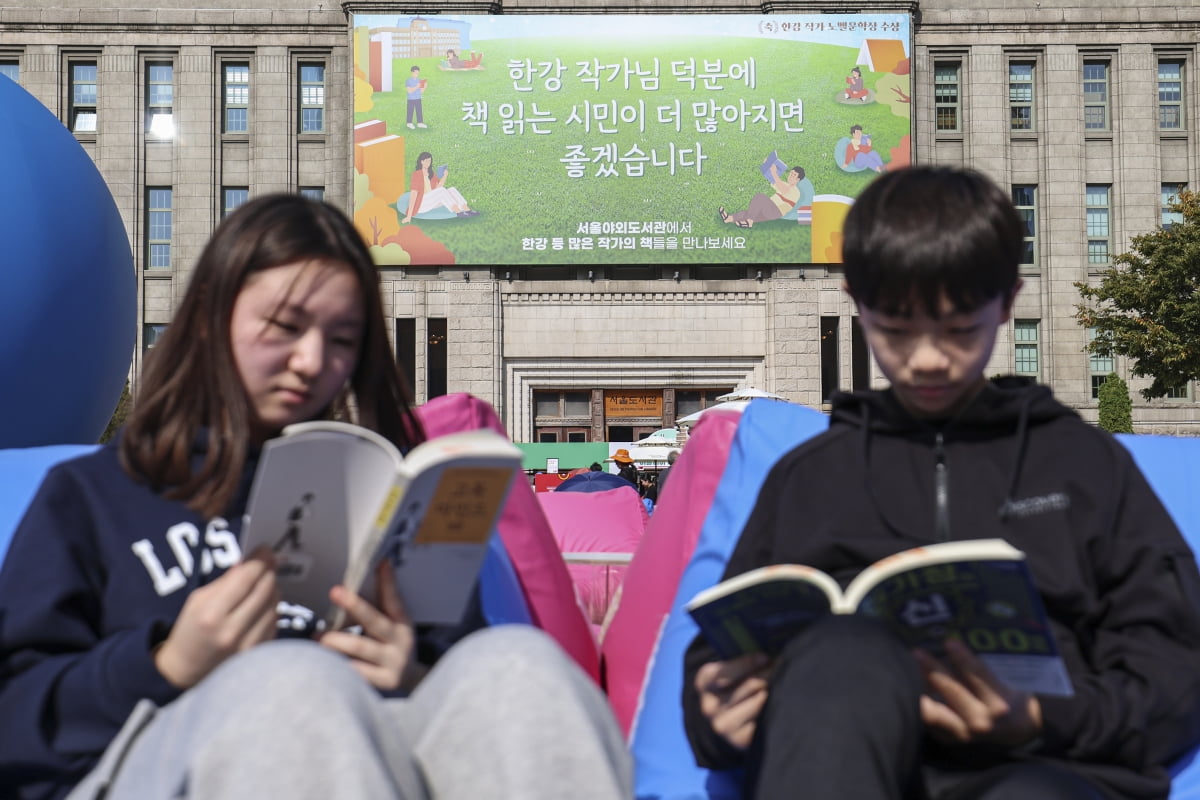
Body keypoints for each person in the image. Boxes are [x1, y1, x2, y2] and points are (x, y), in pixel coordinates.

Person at [0, 194, 632, 800]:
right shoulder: (94, 495)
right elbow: (16, 714)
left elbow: (462, 691)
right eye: (285, 327)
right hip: (160, 757)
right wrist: (167, 662)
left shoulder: (382, 494)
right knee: (295, 679)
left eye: (341, 340)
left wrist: (410, 673)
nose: (311, 361)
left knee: (519, 663)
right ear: (207, 319)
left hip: (375, 754)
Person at [683, 166, 1200, 800]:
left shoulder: (1083, 465)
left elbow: (1175, 664)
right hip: (840, 759)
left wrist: (1040, 717)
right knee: (842, 651)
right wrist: (716, 715)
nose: (927, 358)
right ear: (856, 301)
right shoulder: (811, 475)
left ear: (1007, 303)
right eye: (895, 331)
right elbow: (716, 653)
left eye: (959, 329)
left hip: (1047, 766)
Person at [720, 165, 809, 229]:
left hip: (776, 211)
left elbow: (783, 189)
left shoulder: (796, 192)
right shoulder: (783, 184)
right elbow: (772, 179)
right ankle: (729, 218)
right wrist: (767, 165)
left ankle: (749, 222)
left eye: (794, 175)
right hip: (768, 210)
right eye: (791, 173)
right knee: (747, 213)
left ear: (798, 180)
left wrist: (774, 173)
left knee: (760, 198)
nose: (790, 176)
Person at [402, 151, 477, 223]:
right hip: (421, 204)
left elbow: (438, 188)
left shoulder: (431, 173)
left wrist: (445, 176)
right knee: (442, 191)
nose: (429, 163)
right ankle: (458, 212)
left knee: (452, 189)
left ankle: (467, 210)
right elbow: (413, 194)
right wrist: (409, 216)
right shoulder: (416, 174)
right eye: (427, 161)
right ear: (422, 161)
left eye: (430, 161)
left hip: (431, 201)